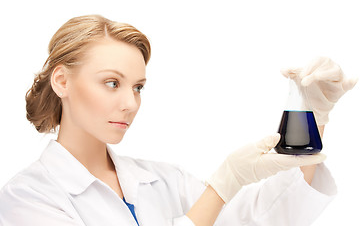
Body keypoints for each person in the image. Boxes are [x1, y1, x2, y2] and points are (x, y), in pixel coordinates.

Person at [0, 15, 357, 226]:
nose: (130, 103)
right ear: (62, 81)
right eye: (112, 83)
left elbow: (264, 218)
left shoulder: (162, 180)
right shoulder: (29, 197)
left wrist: (312, 116)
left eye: (138, 87)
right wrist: (221, 186)